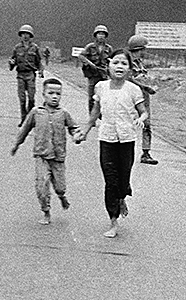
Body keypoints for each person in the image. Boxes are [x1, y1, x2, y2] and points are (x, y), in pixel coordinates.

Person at [75, 49, 148, 238]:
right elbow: (95, 112)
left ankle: (122, 197)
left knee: (123, 181)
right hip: (106, 139)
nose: (119, 66)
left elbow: (143, 111)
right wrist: (85, 130)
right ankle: (113, 220)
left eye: (124, 64)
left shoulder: (133, 89)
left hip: (126, 140)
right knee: (110, 180)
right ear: (108, 65)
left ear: (129, 69)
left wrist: (141, 118)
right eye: (116, 62)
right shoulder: (101, 87)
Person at [11, 78, 80, 225]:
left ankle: (61, 196)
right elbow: (24, 129)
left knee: (60, 186)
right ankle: (46, 211)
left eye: (58, 94)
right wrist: (16, 144)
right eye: (51, 93)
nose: (55, 96)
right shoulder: (36, 112)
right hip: (41, 155)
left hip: (58, 157)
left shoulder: (64, 113)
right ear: (43, 94)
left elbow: (73, 127)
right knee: (41, 186)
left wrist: (77, 135)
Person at [127, 34, 158, 165]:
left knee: (147, 124)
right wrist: (146, 87)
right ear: (138, 48)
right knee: (129, 123)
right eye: (142, 49)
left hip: (143, 97)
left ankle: (146, 153)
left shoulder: (139, 62)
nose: (144, 52)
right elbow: (129, 79)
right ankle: (126, 152)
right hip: (132, 97)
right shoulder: (128, 62)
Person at [9, 24, 45, 126]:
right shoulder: (17, 48)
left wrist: (41, 71)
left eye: (27, 34)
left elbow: (39, 62)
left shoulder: (35, 48)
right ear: (21, 35)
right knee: (22, 99)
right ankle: (23, 119)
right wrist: (11, 63)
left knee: (31, 98)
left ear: (31, 35)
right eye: (23, 34)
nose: (25, 36)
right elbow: (13, 62)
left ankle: (30, 119)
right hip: (20, 75)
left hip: (30, 75)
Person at [79, 24, 113, 115]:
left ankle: (102, 115)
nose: (101, 36)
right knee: (91, 96)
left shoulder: (108, 48)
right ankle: (92, 116)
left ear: (106, 36)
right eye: (99, 34)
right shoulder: (90, 47)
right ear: (95, 35)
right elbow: (81, 56)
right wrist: (90, 64)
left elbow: (111, 61)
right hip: (93, 75)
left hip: (104, 74)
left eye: (103, 34)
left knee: (104, 96)